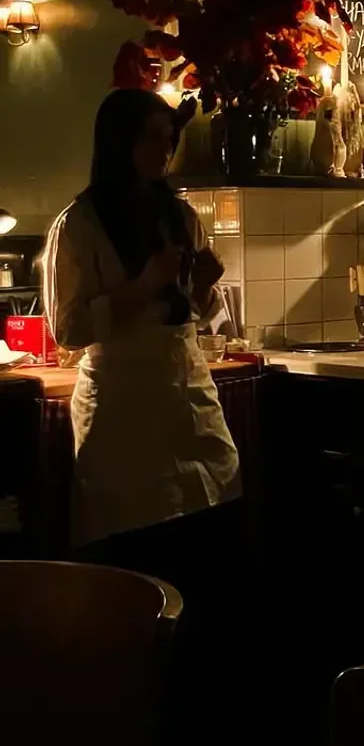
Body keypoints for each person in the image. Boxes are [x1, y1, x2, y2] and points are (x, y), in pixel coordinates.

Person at [44, 88, 239, 552]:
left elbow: (194, 311)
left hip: (185, 388)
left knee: (208, 520)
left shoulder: (180, 216)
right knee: (136, 537)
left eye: (168, 138)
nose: (164, 150)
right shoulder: (80, 225)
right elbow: (67, 330)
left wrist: (204, 286)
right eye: (151, 138)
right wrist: (141, 287)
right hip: (122, 401)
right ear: (119, 143)